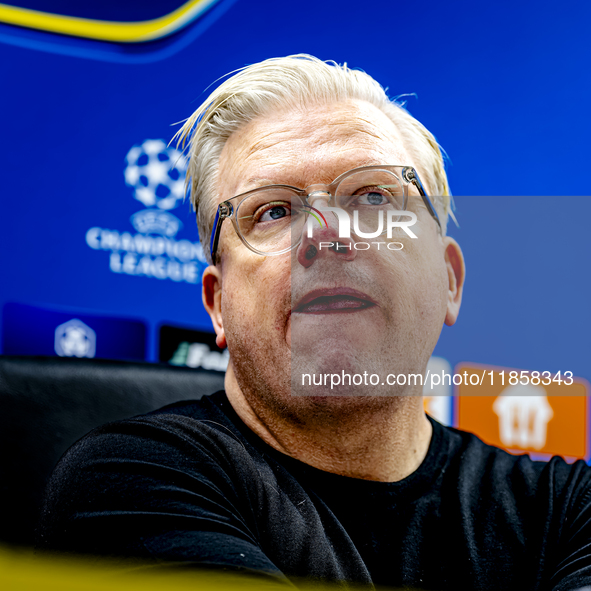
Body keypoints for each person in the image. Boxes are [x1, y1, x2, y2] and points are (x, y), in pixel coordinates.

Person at [38, 55, 591, 591]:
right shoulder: (129, 483)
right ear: (218, 303)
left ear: (449, 281)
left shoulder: (572, 509)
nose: (329, 234)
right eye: (274, 210)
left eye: (375, 197)